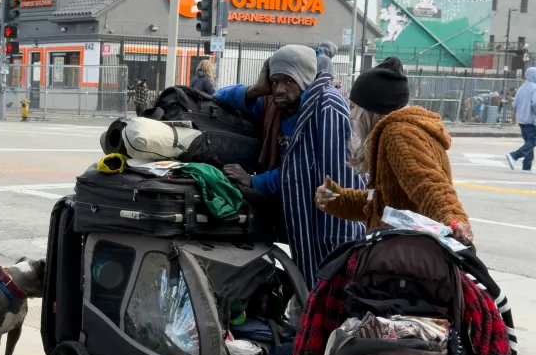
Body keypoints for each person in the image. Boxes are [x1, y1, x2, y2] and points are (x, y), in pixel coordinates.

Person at [215, 44, 365, 285]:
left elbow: (332, 179)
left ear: (305, 79)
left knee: (331, 299)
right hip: (304, 226)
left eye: (289, 81)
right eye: (275, 82)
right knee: (311, 295)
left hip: (333, 234)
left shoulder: (327, 106)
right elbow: (218, 97)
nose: (280, 89)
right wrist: (257, 88)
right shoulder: (280, 108)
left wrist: (256, 181)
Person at [314, 57, 474, 245]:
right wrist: (338, 199)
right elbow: (382, 202)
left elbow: (429, 184)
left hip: (405, 256)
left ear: (369, 110)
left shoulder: (398, 134)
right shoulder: (399, 132)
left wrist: (454, 218)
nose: (352, 114)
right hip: (402, 252)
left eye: (355, 107)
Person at [507, 67, 536, 173]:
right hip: (531, 120)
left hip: (521, 120)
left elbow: (514, 105)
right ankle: (514, 156)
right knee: (533, 141)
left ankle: (526, 166)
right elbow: (535, 104)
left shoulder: (521, 88)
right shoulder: (534, 88)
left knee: (528, 143)